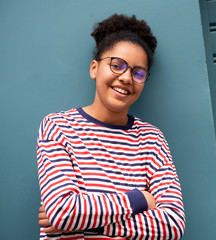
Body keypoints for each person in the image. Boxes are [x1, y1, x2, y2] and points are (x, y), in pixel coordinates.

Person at [36, 14, 185, 239]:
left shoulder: (152, 139)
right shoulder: (58, 127)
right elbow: (63, 211)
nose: (126, 77)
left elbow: (172, 225)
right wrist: (140, 199)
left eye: (138, 73)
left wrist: (80, 222)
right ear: (94, 68)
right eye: (117, 65)